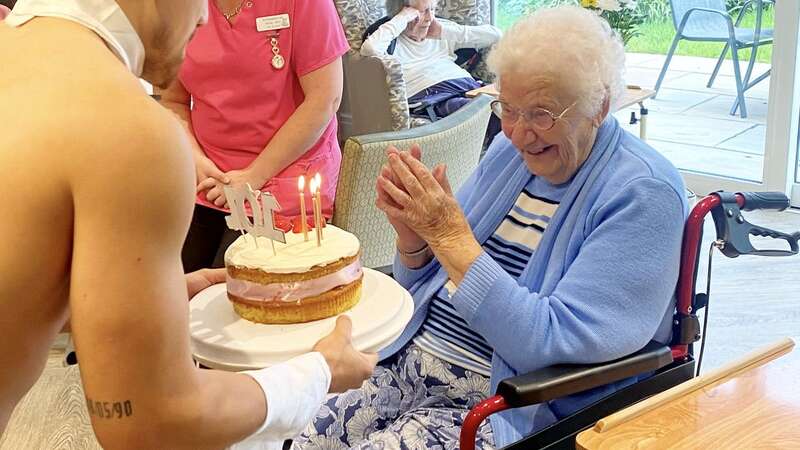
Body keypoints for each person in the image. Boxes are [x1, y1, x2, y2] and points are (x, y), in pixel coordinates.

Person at [294, 6, 688, 449]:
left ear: (599, 105)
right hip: (406, 363)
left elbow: (548, 340)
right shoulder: (510, 152)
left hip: (497, 404)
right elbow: (427, 284)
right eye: (509, 109)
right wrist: (413, 240)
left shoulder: (643, 194)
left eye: (541, 114)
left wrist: (448, 236)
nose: (518, 134)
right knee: (303, 435)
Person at [0, 1, 376, 448]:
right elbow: (151, 420)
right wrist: (316, 373)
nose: (204, 18)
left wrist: (133, 304)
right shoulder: (129, 129)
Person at [160, 0, 350, 273]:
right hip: (207, 179)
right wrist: (197, 163)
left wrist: (254, 175)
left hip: (283, 177)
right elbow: (173, 101)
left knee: (236, 288)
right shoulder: (181, 7)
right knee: (170, 282)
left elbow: (325, 99)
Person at [361, 0, 501, 122]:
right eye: (422, 11)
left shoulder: (440, 28)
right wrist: (401, 19)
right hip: (434, 97)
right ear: (402, 13)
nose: (430, 18)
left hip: (469, 88)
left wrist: (443, 31)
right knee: (488, 111)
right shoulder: (390, 40)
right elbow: (369, 49)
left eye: (433, 9)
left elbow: (495, 35)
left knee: (509, 106)